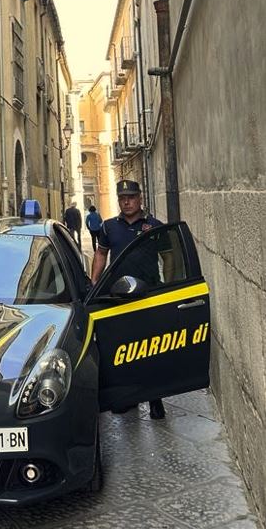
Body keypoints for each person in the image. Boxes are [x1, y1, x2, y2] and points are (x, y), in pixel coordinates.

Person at [90, 179, 169, 420]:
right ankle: (129, 398)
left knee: (152, 349)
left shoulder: (154, 226)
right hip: (120, 298)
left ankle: (155, 399)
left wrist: (169, 287)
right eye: (122, 198)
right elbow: (101, 253)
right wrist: (95, 282)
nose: (127, 202)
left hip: (149, 297)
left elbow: (169, 257)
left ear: (140, 198)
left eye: (131, 197)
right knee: (125, 350)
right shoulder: (109, 227)